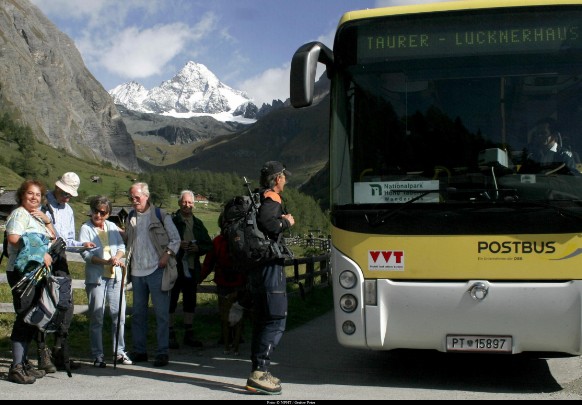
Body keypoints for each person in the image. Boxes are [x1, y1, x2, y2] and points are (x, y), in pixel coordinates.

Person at [37, 172, 96, 373]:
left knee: (66, 306)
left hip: (60, 259)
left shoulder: (68, 210)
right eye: (66, 193)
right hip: (42, 259)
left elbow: (68, 241)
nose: (68, 197)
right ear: (58, 188)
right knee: (43, 304)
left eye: (70, 195)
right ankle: (42, 353)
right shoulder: (42, 204)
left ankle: (59, 349)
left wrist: (81, 245)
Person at [245, 161, 295, 395]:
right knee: (276, 318)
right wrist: (286, 221)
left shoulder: (257, 196)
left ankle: (259, 370)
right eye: (284, 176)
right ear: (277, 179)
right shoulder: (272, 198)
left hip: (256, 267)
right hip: (269, 267)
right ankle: (259, 373)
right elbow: (268, 223)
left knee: (262, 319)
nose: (285, 180)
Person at [5, 180, 57, 384]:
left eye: (38, 195)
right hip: (23, 273)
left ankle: (24, 362)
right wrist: (40, 252)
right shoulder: (19, 214)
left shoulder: (35, 216)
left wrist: (47, 221)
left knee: (31, 317)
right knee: (24, 317)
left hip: (36, 274)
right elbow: (13, 238)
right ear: (22, 195)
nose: (34, 198)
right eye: (30, 194)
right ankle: (16, 366)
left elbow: (53, 237)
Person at [124, 182, 181, 367]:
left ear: (146, 196)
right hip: (137, 272)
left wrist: (167, 255)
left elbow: (175, 239)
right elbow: (128, 241)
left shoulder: (161, 215)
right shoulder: (130, 217)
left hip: (157, 270)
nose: (134, 201)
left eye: (137, 197)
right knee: (138, 314)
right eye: (131, 198)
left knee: (161, 314)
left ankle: (162, 352)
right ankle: (140, 351)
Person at [79, 195, 132, 368]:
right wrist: (105, 262)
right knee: (97, 317)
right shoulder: (85, 228)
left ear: (108, 214)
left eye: (102, 212)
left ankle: (119, 351)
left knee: (120, 316)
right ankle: (98, 355)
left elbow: (122, 247)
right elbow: (86, 255)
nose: (98, 215)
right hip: (97, 278)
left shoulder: (111, 227)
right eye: (95, 211)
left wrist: (116, 258)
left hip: (115, 277)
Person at [200, 211, 248, 356]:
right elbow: (209, 263)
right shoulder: (239, 240)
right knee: (234, 313)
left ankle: (230, 340)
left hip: (229, 282)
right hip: (235, 282)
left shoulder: (220, 241)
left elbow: (208, 263)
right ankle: (233, 340)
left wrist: (199, 278)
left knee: (228, 313)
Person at [169, 190, 212, 349]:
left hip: (192, 268)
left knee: (190, 301)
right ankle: (170, 333)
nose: (187, 205)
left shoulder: (198, 224)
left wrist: (197, 248)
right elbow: (162, 242)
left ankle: (189, 333)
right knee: (171, 300)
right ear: (179, 203)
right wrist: (178, 245)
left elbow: (208, 244)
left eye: (190, 203)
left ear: (194, 204)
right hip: (174, 268)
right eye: (185, 202)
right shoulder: (171, 222)